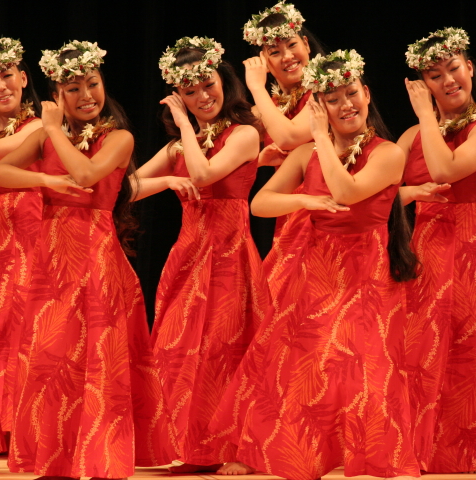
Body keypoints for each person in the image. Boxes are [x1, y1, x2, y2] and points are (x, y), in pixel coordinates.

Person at [205, 49, 420, 480]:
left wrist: (319, 138)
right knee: (290, 360)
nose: (346, 105)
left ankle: (369, 454)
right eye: (333, 99)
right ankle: (280, 451)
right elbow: (261, 203)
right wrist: (303, 201)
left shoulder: (388, 153)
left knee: (360, 365)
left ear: (366, 93)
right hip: (315, 267)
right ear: (320, 106)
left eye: (351, 94)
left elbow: (346, 193)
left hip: (365, 271)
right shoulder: (305, 154)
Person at [0, 40, 174, 478]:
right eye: (73, 89)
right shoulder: (43, 138)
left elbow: (88, 174)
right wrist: (44, 179)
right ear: (58, 95)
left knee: (99, 357)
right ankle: (57, 455)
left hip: (97, 257)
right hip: (50, 261)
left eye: (92, 84)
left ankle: (103, 454)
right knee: (53, 358)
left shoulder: (120, 138)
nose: (86, 95)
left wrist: (53, 131)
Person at [136, 36, 268, 473]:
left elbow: (204, 173)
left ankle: (233, 449)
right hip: (188, 257)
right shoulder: (181, 145)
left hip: (230, 256)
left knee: (224, 350)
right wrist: (165, 181)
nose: (202, 97)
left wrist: (183, 124)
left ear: (224, 80)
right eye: (189, 92)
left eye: (207, 84)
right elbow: (127, 188)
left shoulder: (245, 134)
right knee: (176, 348)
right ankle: (183, 444)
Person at [398, 27, 476, 473]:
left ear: (470, 68)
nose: (448, 80)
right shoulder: (413, 133)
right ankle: (419, 447)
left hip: (471, 248)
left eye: (454, 69)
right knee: (420, 347)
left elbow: (444, 169)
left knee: (469, 347)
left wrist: (424, 116)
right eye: (435, 75)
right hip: (424, 249)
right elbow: (381, 189)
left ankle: (465, 450)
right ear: (423, 83)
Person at [241, 2, 325, 286]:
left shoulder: (327, 90)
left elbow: (289, 137)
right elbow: (231, 144)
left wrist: (256, 87)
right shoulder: (273, 105)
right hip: (289, 212)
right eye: (274, 52)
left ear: (306, 44)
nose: (287, 56)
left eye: (291, 45)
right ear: (264, 61)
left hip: (324, 207)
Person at [0, 37, 42, 443]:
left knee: (19, 327)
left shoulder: (39, 126)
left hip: (26, 238)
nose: (0, 86)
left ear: (23, 78)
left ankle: (23, 428)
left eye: (6, 75)